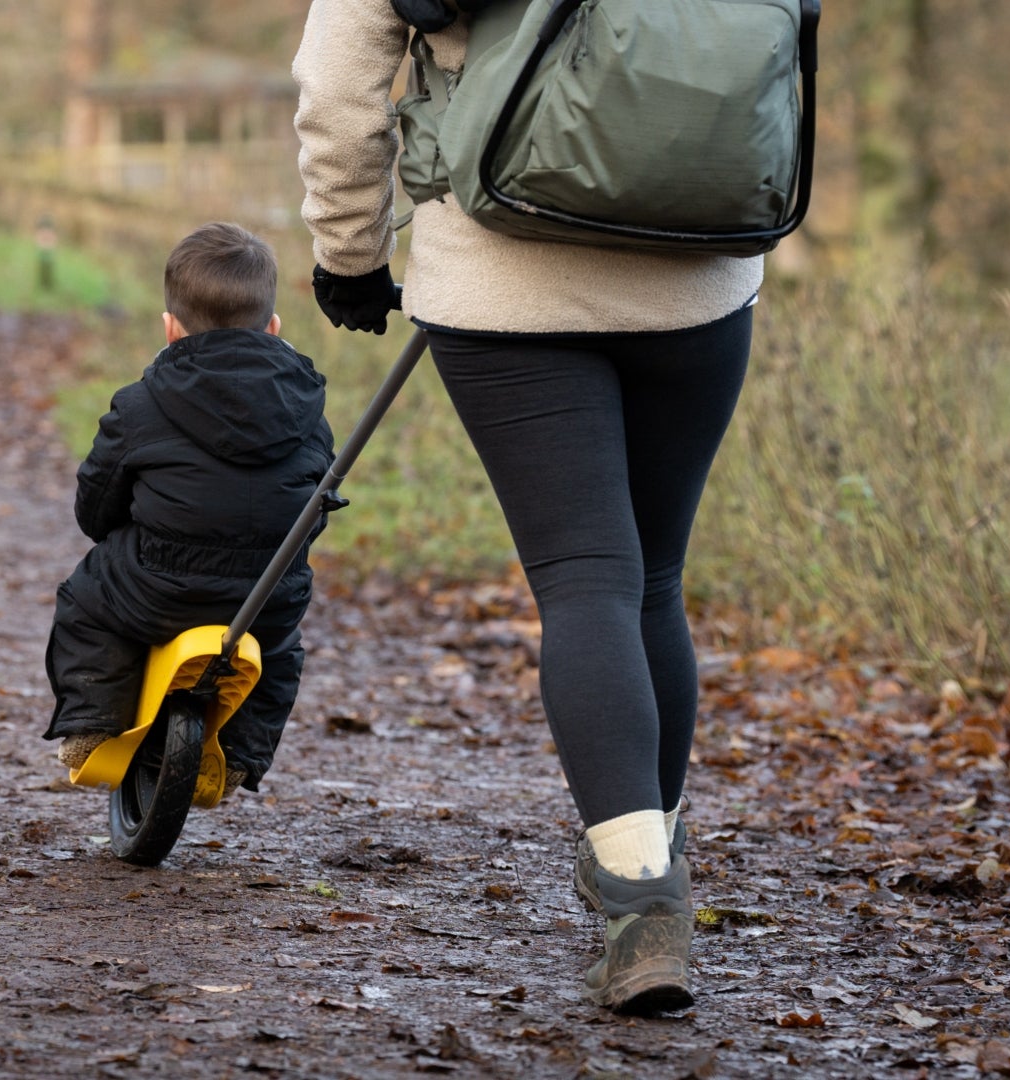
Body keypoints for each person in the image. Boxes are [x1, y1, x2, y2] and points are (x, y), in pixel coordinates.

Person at [293, 0, 765, 1013]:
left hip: (505, 270)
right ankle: (650, 863)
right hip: (701, 260)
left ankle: (641, 895)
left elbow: (340, 93)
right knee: (652, 578)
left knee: (586, 575)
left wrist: (349, 254)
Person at [44, 223, 334, 800]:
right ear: (274, 328)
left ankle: (92, 724)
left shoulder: (142, 403)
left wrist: (123, 525)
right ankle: (245, 755)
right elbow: (315, 514)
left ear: (171, 330)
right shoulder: (309, 411)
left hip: (159, 588)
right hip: (266, 596)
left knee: (87, 604)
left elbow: (96, 506)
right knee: (282, 651)